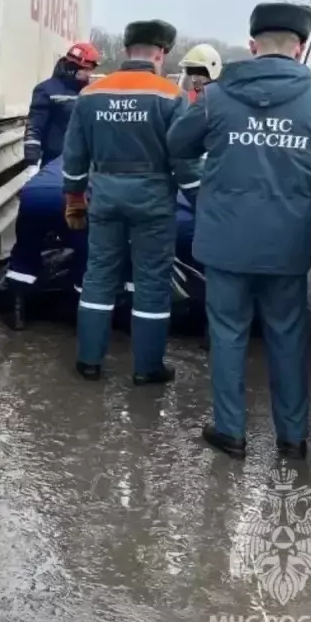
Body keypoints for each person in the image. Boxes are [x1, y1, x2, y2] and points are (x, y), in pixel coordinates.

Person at [168, 3, 311, 460]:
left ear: (252, 45)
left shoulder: (216, 97)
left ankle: (231, 431)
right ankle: (292, 437)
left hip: (226, 242)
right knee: (287, 335)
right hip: (285, 244)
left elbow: (177, 143)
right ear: (300, 46)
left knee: (227, 333)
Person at [61, 19, 203, 382]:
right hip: (154, 202)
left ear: (126, 51)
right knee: (152, 283)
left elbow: (74, 154)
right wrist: (200, 199)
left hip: (105, 197)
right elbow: (184, 160)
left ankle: (89, 361)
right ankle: (147, 368)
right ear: (161, 53)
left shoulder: (91, 94)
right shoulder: (171, 96)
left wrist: (75, 198)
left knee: (99, 275)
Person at [3, 41, 101, 328]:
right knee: (76, 242)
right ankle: (32, 309)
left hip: (64, 178)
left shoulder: (90, 95)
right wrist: (32, 165)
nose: (89, 76)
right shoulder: (47, 90)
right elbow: (34, 129)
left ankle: (51, 305)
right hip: (57, 173)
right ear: (72, 66)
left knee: (42, 241)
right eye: (86, 70)